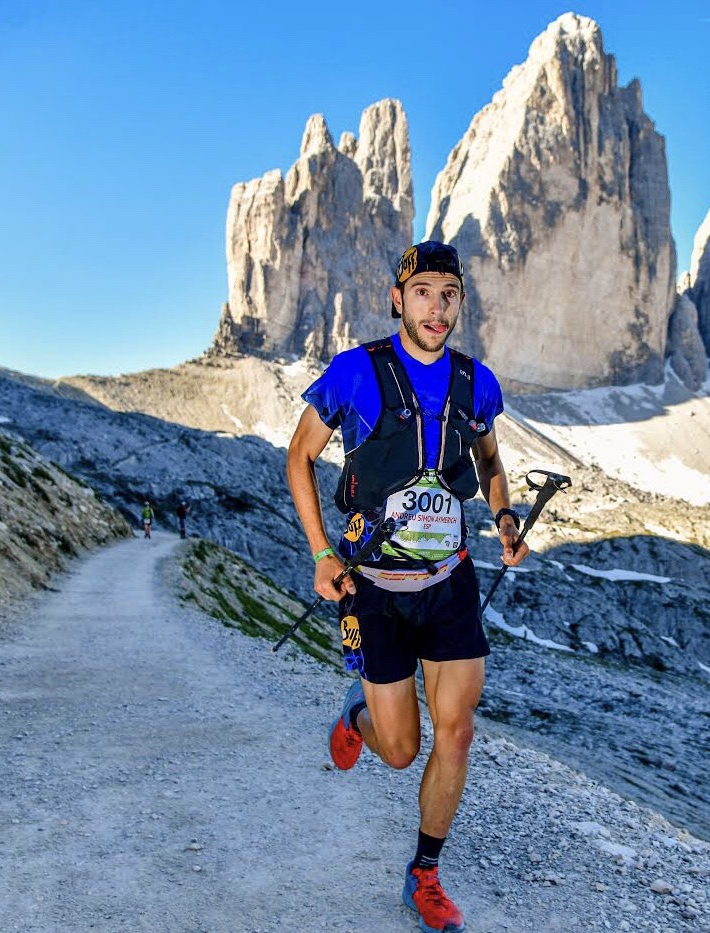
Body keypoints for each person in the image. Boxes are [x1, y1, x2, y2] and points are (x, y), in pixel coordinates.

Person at [286, 240, 528, 933]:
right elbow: (298, 457)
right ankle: (356, 715)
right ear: (398, 298)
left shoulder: (474, 382)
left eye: (448, 294)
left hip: (448, 582)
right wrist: (320, 551)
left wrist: (505, 517)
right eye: (423, 291)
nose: (436, 306)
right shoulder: (355, 372)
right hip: (374, 589)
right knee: (400, 750)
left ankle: (424, 872)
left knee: (456, 733)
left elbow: (488, 460)